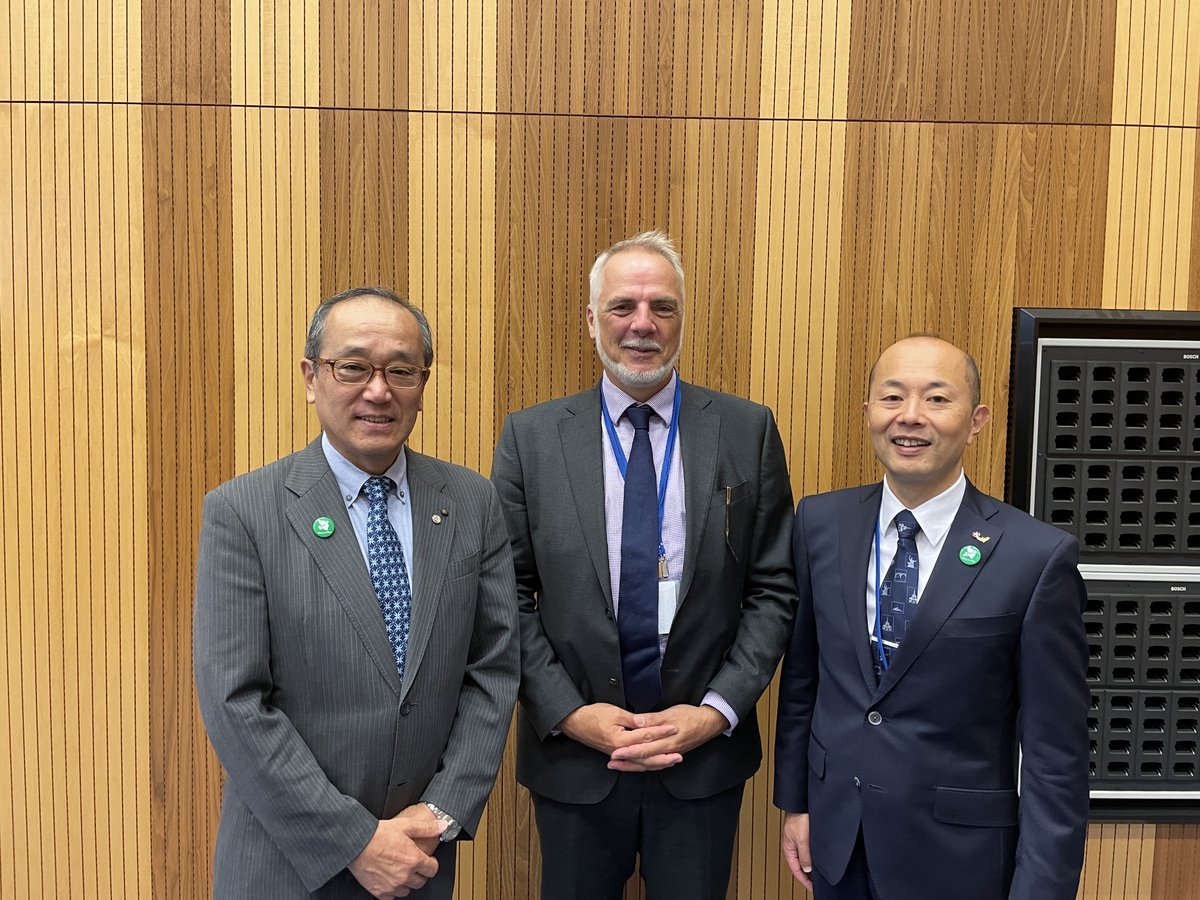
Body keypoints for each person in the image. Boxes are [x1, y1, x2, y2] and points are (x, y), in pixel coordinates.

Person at [491, 231, 797, 900]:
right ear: (592, 319)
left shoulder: (747, 430)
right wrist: (570, 713)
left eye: (662, 306)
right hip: (574, 759)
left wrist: (716, 711)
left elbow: (773, 587)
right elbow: (504, 594)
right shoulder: (532, 438)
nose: (642, 324)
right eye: (623, 305)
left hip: (701, 758)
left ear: (683, 317)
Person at [193, 286, 519, 899]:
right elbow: (235, 701)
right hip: (285, 864)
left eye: (401, 369)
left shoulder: (471, 503)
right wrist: (355, 842)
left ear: (422, 384)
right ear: (312, 377)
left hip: (419, 860)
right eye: (353, 366)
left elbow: (493, 670)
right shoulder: (243, 512)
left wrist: (445, 809)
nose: (379, 389)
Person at [775, 335, 1090, 900]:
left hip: (958, 859)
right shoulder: (819, 523)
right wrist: (796, 802)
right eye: (892, 397)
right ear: (867, 411)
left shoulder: (1035, 557)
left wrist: (1042, 888)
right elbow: (804, 681)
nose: (910, 417)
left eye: (937, 399)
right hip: (838, 842)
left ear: (976, 420)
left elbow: (1055, 754)